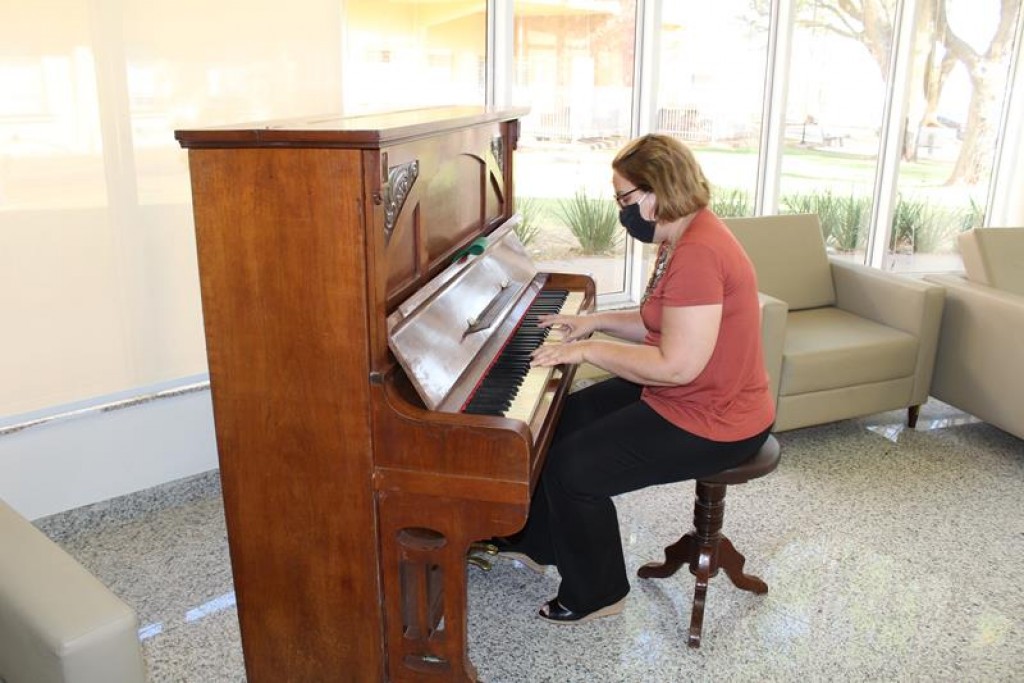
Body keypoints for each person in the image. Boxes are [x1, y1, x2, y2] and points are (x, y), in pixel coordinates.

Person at [497, 133, 775, 624]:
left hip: (716, 417)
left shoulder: (699, 253)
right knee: (561, 420)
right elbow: (662, 320)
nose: (621, 209)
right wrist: (595, 322)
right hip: (693, 392)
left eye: (625, 198)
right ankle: (539, 543)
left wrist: (586, 349)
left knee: (572, 468)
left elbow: (676, 365)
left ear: (656, 191)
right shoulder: (684, 236)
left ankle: (598, 592)